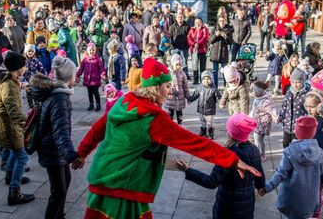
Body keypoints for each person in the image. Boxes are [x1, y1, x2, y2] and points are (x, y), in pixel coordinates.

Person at [74, 57, 260, 219]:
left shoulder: (125, 100)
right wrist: (232, 159)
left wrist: (82, 153)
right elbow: (194, 143)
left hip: (105, 176)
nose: (170, 91)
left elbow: (99, 127)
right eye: (167, 86)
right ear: (155, 87)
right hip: (120, 186)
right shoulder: (154, 119)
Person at [172, 113, 265, 219]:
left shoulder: (227, 155)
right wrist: (260, 187)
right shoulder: (254, 150)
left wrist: (188, 170)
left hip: (227, 205)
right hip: (247, 203)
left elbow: (211, 182)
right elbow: (259, 176)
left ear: (231, 132)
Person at [31, 56, 82, 219]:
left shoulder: (58, 93)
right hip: (52, 149)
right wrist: (71, 155)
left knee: (65, 182)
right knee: (58, 192)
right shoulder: (60, 99)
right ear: (70, 76)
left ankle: (59, 215)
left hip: (53, 148)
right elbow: (61, 131)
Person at [259, 116, 323, 219]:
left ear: (297, 132)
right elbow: (321, 171)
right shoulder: (319, 151)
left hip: (292, 199)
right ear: (314, 132)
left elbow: (280, 173)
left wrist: (267, 187)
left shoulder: (289, 151)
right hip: (311, 199)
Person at [0, 51, 35, 206]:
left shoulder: (9, 82)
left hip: (7, 128)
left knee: (14, 151)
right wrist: (29, 124)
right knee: (22, 156)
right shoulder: (8, 86)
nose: (25, 68)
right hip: (10, 128)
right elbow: (14, 112)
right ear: (18, 68)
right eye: (24, 66)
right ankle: (14, 192)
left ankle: (10, 176)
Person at [278, 68, 310, 148]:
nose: (295, 85)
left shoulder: (306, 94)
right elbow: (285, 105)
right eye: (293, 82)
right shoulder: (289, 91)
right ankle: (287, 159)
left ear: (303, 82)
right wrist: (281, 116)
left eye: (298, 82)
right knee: (285, 144)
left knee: (296, 147)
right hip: (287, 125)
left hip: (299, 127)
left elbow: (309, 111)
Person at [187, 70, 221, 139]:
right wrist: (190, 99)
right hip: (201, 109)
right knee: (202, 121)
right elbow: (195, 95)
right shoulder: (200, 87)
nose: (206, 81)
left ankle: (210, 132)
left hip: (210, 110)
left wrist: (221, 102)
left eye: (208, 79)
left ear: (211, 79)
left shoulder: (213, 89)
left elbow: (218, 97)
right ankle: (203, 131)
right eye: (204, 79)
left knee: (209, 123)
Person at [250, 80, 277, 161]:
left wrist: (276, 118)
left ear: (258, 92)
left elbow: (272, 110)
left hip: (262, 123)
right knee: (258, 139)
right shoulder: (258, 98)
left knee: (258, 139)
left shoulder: (265, 102)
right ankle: (259, 153)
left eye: (253, 90)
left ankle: (261, 155)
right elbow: (255, 109)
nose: (251, 92)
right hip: (257, 122)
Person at [76, 43, 106, 112]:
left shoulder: (97, 60)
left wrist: (103, 74)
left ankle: (98, 104)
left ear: (95, 51)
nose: (91, 52)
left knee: (96, 92)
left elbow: (101, 68)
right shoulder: (85, 60)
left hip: (95, 80)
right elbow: (81, 68)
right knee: (89, 93)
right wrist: (77, 75)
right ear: (87, 51)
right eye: (90, 50)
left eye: (93, 50)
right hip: (88, 79)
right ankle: (91, 104)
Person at [165, 54, 190, 125]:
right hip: (171, 97)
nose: (178, 66)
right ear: (172, 64)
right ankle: (170, 125)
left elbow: (185, 87)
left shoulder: (183, 74)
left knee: (179, 113)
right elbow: (165, 85)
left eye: (180, 64)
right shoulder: (168, 73)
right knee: (170, 113)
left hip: (180, 97)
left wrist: (188, 97)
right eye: (177, 64)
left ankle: (180, 125)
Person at [209, 16, 233, 87]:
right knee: (215, 72)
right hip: (215, 53)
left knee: (225, 72)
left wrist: (225, 36)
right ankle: (215, 87)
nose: (221, 22)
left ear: (225, 21)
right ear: (218, 21)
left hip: (223, 53)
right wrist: (215, 35)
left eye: (223, 21)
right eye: (220, 21)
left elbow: (230, 42)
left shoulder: (228, 29)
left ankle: (226, 88)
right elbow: (210, 41)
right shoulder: (214, 28)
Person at [187, 18, 209, 85]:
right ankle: (195, 79)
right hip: (194, 50)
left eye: (199, 22)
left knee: (202, 66)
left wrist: (198, 43)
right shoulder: (192, 29)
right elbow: (189, 37)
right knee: (194, 65)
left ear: (202, 23)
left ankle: (202, 79)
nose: (197, 24)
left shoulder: (205, 29)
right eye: (196, 22)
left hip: (202, 49)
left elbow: (205, 37)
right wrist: (194, 44)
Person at [169, 12, 191, 77]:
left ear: (183, 18)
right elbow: (169, 37)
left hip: (184, 47)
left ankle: (185, 75)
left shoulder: (187, 26)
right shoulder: (172, 27)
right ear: (176, 18)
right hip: (175, 47)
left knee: (184, 62)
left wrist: (187, 46)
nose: (180, 18)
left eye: (181, 17)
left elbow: (190, 37)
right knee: (175, 62)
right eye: (178, 17)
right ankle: (175, 75)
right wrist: (172, 46)